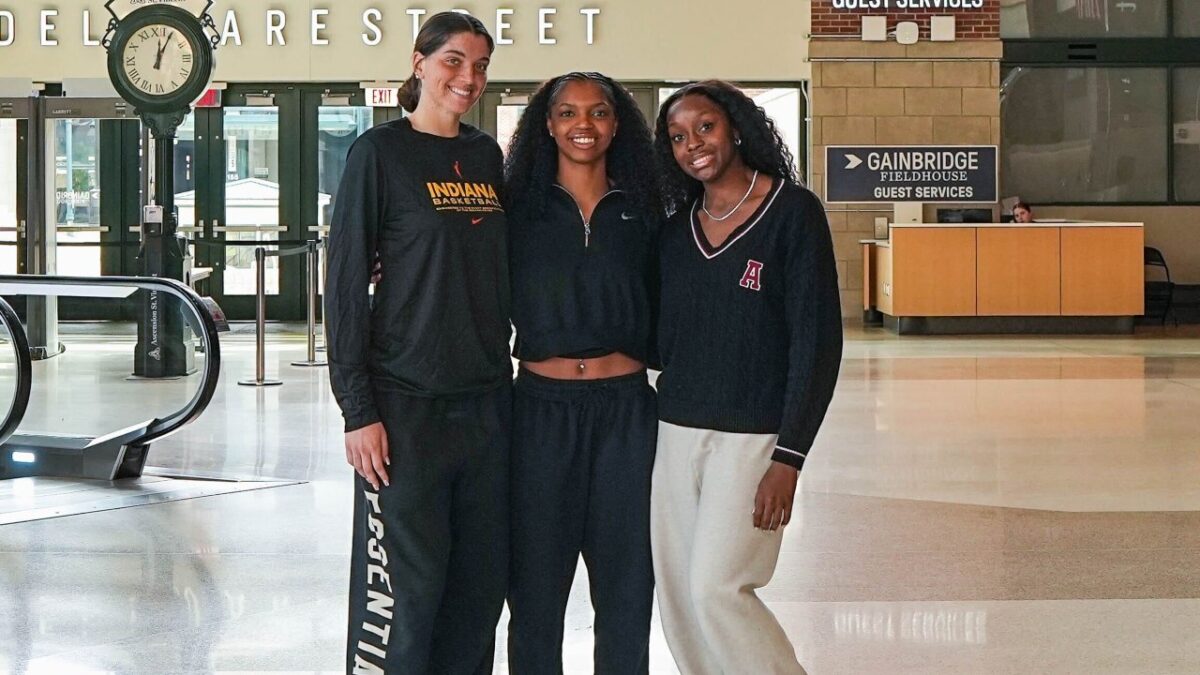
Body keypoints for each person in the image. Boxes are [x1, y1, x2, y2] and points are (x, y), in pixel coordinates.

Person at [324, 12, 511, 674]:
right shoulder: (379, 154)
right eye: (455, 61)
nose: (469, 77)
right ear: (420, 62)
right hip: (405, 408)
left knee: (478, 594)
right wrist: (358, 408)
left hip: (487, 405)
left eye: (481, 65)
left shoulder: (488, 157)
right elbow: (345, 284)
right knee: (406, 598)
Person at [650, 80, 843, 675]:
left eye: (705, 127)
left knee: (718, 589)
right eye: (678, 137)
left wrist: (789, 456)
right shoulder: (676, 228)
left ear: (735, 127)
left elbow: (817, 343)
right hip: (675, 429)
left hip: (753, 438)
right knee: (680, 596)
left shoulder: (793, 212)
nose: (694, 145)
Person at [504, 72, 661, 674]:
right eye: (568, 113)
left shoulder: (645, 211)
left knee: (626, 589)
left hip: (626, 410)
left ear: (617, 123)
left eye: (597, 113)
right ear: (547, 124)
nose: (583, 125)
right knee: (536, 593)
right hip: (540, 411)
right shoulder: (517, 210)